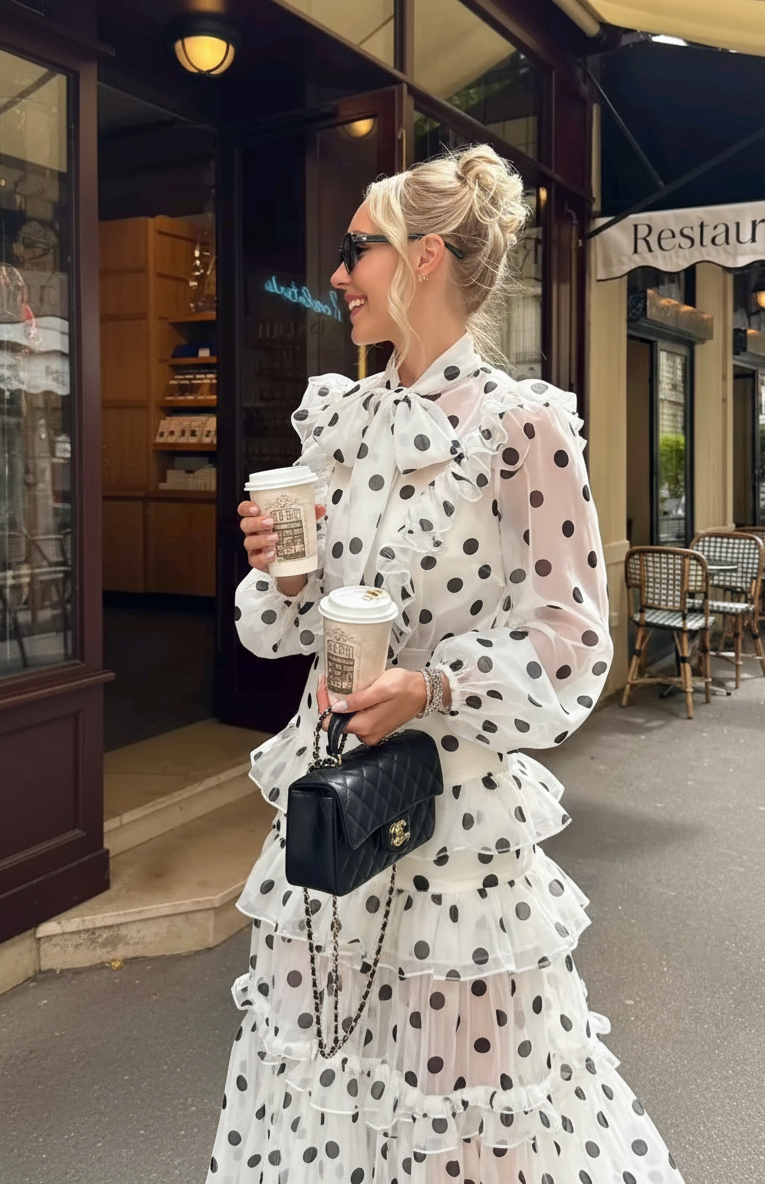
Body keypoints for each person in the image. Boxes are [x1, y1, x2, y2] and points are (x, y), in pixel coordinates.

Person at [206, 146, 685, 1184]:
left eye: (355, 249)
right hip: (330, 827)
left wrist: (433, 686)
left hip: (456, 847)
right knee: (322, 1085)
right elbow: (270, 635)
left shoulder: (524, 427)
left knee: (459, 1116)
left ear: (422, 258)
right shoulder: (337, 422)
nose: (338, 274)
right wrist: (284, 578)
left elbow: (573, 641)